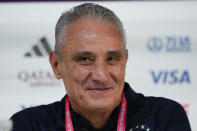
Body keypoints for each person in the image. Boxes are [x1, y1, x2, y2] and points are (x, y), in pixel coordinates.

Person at [10, 3, 191, 131]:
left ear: (125, 61)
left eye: (112, 59)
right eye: (85, 60)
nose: (101, 75)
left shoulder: (164, 118)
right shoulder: (27, 125)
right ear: (57, 65)